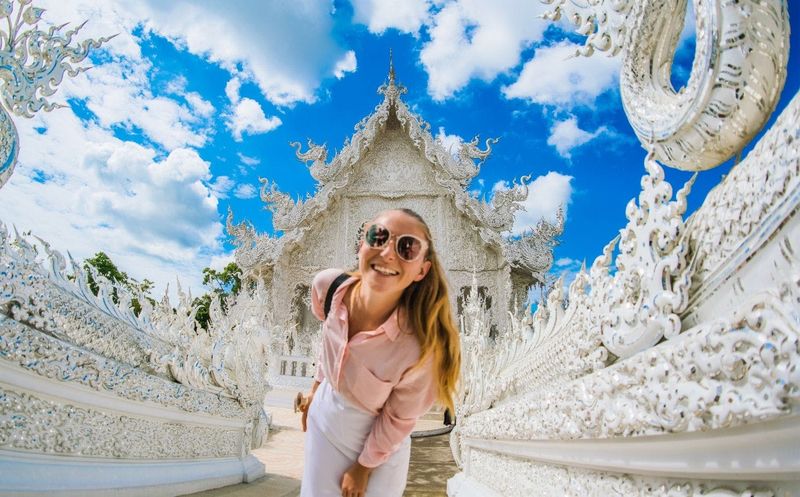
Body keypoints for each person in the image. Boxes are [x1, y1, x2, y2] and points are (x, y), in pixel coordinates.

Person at [298, 208, 461, 497]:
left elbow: (398, 419)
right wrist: (316, 387)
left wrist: (363, 468)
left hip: (378, 442)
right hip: (324, 421)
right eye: (378, 236)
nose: (387, 253)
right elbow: (331, 339)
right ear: (362, 244)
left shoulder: (421, 347)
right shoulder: (329, 287)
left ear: (422, 269)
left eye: (406, 247)